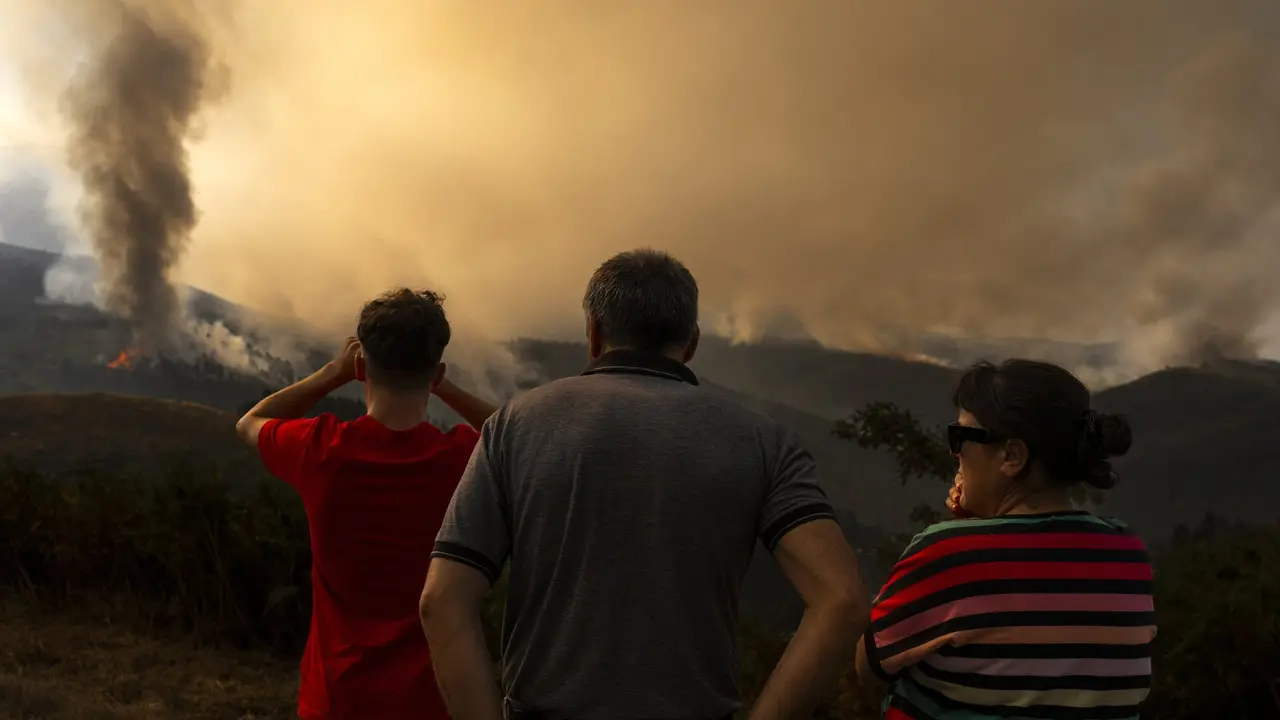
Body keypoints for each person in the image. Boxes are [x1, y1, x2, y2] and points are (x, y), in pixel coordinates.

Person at [420, 248, 868, 720]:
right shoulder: (765, 441)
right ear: (691, 342)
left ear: (593, 333)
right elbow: (842, 601)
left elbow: (441, 602)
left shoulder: (514, 426)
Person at [235, 288, 498, 720]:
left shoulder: (320, 449)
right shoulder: (464, 458)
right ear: (436, 373)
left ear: (362, 366)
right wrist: (443, 386)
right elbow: (521, 434)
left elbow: (251, 423)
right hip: (431, 700)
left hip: (338, 698)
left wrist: (331, 374)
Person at [856, 359, 1156, 720]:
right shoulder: (1127, 552)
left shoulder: (947, 555)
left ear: (1012, 456)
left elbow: (868, 665)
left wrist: (965, 537)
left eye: (961, 436)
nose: (954, 451)